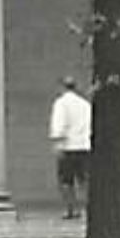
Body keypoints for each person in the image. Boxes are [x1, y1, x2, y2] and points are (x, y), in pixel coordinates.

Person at [49, 76, 92, 219]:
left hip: (68, 147)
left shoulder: (61, 103)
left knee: (66, 181)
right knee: (84, 180)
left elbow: (59, 125)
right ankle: (87, 209)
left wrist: (57, 144)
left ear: (62, 87)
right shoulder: (85, 104)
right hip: (84, 146)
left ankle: (71, 209)